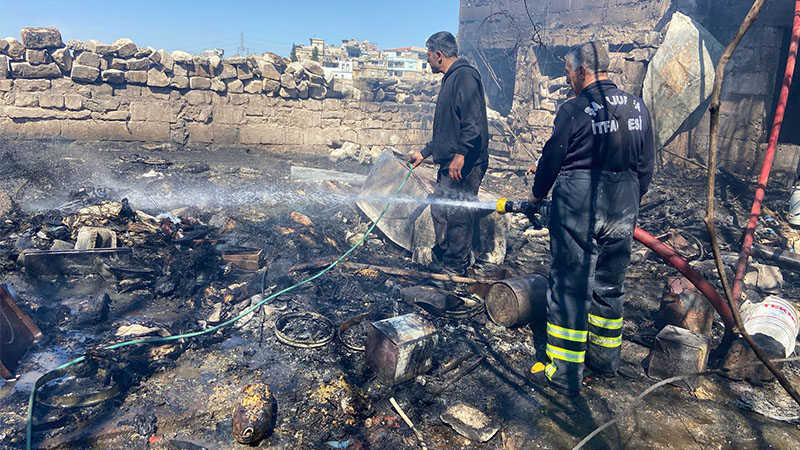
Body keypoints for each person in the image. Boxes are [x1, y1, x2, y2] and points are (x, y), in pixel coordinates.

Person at [528, 42, 654, 396]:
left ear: (581, 70)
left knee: (571, 285)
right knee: (610, 284)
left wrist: (537, 196)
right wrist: (627, 201)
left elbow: (553, 159)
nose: (567, 79)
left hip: (579, 202)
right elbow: (646, 168)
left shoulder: (574, 108)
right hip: (625, 201)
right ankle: (604, 361)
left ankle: (565, 371)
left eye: (568, 72)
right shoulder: (638, 107)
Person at [409, 31, 489, 277]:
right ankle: (447, 258)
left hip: (466, 162)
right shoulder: (450, 79)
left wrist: (461, 155)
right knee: (440, 208)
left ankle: (455, 267)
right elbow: (447, 130)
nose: (428, 60)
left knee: (458, 214)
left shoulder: (464, 77)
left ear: (439, 55)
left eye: (429, 56)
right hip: (452, 160)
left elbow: (472, 122)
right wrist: (425, 153)